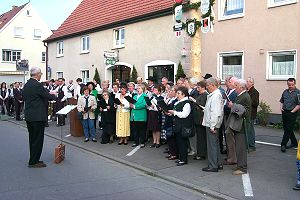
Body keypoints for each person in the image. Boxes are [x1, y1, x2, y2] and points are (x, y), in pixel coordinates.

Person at [23, 67, 56, 168]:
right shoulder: (37, 85)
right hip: (37, 117)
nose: (41, 75)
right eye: (40, 74)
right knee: (38, 139)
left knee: (32, 139)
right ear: (37, 74)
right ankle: (33, 162)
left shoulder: (27, 85)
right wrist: (54, 95)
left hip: (29, 116)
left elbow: (25, 97)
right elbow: (48, 96)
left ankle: (34, 159)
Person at [227, 79, 251, 175]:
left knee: (241, 147)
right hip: (239, 125)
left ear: (241, 87)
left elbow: (245, 111)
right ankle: (240, 166)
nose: (235, 87)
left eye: (236, 86)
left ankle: (242, 168)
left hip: (242, 126)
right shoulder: (241, 95)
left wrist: (233, 106)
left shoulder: (245, 96)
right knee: (238, 146)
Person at [202, 77, 224, 172]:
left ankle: (213, 165)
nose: (207, 87)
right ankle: (217, 163)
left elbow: (215, 112)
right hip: (212, 123)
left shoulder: (215, 96)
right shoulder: (214, 95)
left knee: (212, 145)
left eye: (208, 85)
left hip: (212, 124)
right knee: (214, 145)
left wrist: (213, 125)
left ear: (213, 85)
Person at [168, 86, 193, 166]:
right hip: (178, 126)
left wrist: (174, 112)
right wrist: (171, 113)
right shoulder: (178, 102)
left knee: (182, 143)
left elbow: (184, 115)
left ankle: (183, 159)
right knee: (179, 142)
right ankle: (181, 158)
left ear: (184, 94)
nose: (177, 95)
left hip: (183, 126)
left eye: (179, 93)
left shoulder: (186, 103)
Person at [192, 80, 208, 160]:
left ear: (203, 87)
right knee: (199, 137)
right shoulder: (200, 94)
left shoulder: (205, 95)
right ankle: (200, 152)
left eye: (198, 87)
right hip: (198, 119)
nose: (197, 89)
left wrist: (195, 102)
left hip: (201, 119)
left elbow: (202, 105)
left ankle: (202, 154)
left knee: (201, 137)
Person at [164, 86, 178, 160]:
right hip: (168, 119)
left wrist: (168, 112)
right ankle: (171, 152)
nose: (171, 92)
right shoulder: (171, 99)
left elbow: (173, 109)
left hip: (172, 120)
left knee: (172, 137)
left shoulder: (176, 100)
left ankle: (174, 153)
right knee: (169, 137)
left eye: (172, 91)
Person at [246, 77, 259, 151]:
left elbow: (256, 103)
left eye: (248, 82)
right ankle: (248, 144)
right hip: (247, 113)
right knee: (247, 130)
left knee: (250, 130)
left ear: (252, 83)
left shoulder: (255, 92)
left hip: (251, 114)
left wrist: (247, 100)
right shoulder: (247, 91)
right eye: (246, 81)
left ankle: (252, 146)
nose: (246, 83)